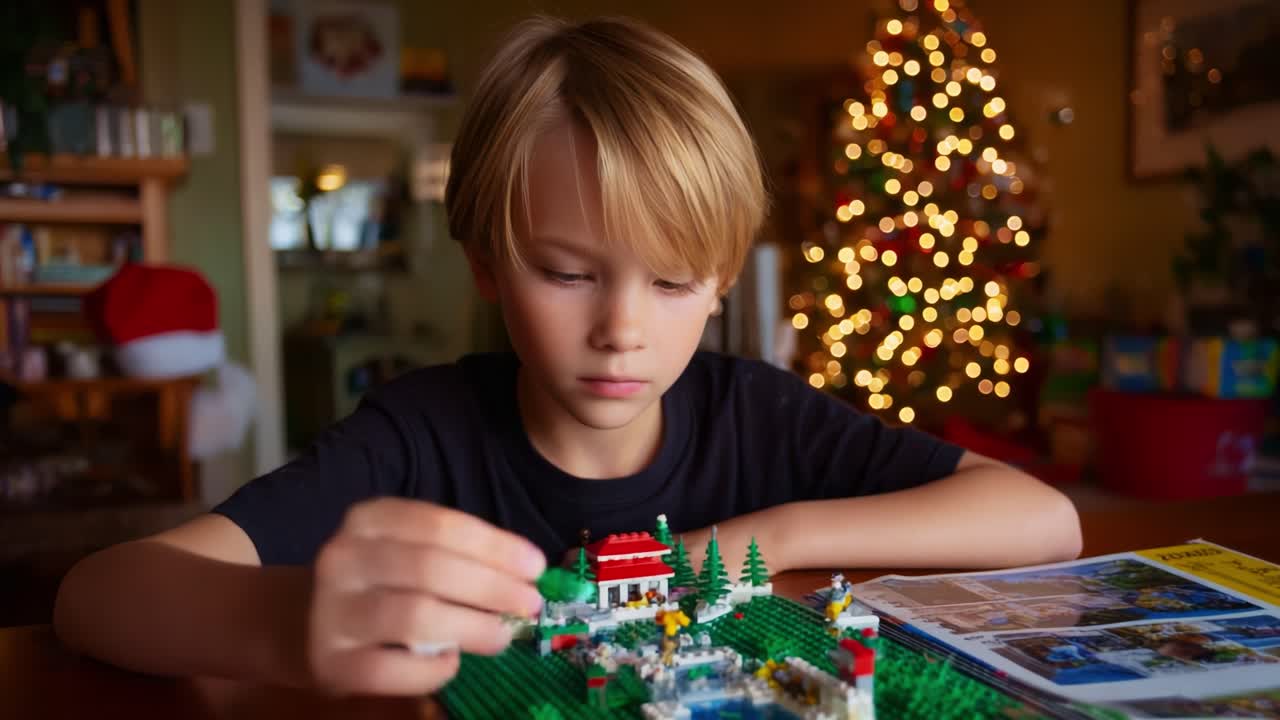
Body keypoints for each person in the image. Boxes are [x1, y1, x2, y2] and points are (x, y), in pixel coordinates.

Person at [53, 15, 1080, 698]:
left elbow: (1043, 518)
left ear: (721, 279)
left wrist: (756, 536)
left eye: (673, 282)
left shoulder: (757, 414)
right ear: (487, 263)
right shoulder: (421, 434)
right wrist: (287, 623)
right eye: (566, 272)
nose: (621, 330)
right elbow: (95, 595)